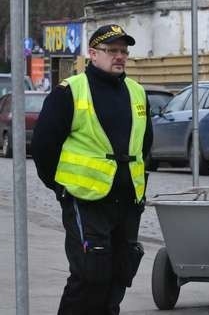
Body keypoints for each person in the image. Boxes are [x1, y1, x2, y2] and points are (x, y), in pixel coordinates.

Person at [31, 24, 153, 315]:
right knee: (90, 276)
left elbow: (146, 145)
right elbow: (43, 146)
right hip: (86, 202)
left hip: (127, 203)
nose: (120, 56)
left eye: (124, 51)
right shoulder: (71, 91)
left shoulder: (137, 92)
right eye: (112, 50)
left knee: (119, 275)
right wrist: (60, 187)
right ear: (93, 54)